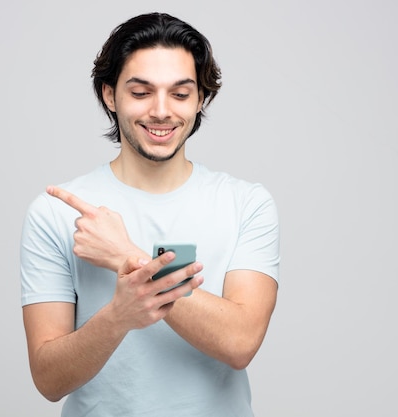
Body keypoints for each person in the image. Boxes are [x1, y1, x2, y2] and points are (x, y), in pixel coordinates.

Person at [20, 12, 280, 416]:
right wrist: (119, 316)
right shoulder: (57, 212)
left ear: (201, 99)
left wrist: (127, 256)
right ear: (110, 95)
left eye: (180, 94)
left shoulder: (246, 203)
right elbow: (49, 380)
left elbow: (240, 343)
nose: (161, 111)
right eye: (141, 92)